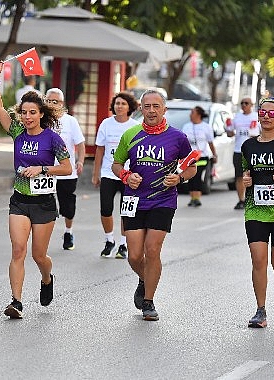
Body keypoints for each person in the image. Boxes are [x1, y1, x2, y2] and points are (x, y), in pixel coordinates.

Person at [0, 62, 72, 319]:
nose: (26, 117)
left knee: (39, 256)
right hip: (20, 200)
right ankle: (16, 301)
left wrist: (42, 169)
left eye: (32, 113)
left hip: (44, 203)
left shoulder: (52, 138)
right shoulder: (17, 132)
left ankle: (47, 278)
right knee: (18, 250)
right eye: (23, 112)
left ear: (40, 114)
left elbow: (66, 168)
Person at [111, 89, 196, 321]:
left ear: (164, 109)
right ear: (141, 108)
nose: (151, 111)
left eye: (156, 106)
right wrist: (127, 176)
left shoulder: (178, 138)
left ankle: (148, 301)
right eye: (147, 106)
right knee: (134, 256)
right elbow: (117, 165)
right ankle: (144, 278)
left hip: (163, 200)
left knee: (152, 250)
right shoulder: (130, 134)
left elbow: (191, 167)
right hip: (134, 200)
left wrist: (179, 178)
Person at [241, 96, 274, 328]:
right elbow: (246, 173)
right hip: (255, 211)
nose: (266, 116)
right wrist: (246, 180)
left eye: (272, 113)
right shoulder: (248, 146)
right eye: (263, 112)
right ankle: (260, 311)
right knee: (258, 260)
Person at [92, 92, 139, 259]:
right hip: (108, 173)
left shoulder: (135, 126)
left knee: (125, 211)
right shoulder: (106, 124)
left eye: (123, 104)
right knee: (106, 209)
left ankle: (123, 244)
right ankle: (109, 240)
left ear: (129, 107)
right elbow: (100, 149)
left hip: (127, 174)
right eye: (117, 103)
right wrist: (96, 173)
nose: (119, 106)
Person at [45, 88, 86, 251]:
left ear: (62, 104)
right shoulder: (41, 120)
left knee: (67, 207)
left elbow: (80, 144)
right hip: (45, 170)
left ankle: (68, 232)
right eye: (49, 100)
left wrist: (81, 161)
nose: (52, 104)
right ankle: (44, 236)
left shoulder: (70, 121)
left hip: (66, 172)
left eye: (56, 101)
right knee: (45, 205)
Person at [225, 97, 259, 210]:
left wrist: (253, 133)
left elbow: (260, 133)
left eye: (246, 103)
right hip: (238, 150)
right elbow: (231, 133)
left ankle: (254, 199)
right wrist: (228, 127)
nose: (244, 105)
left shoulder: (256, 117)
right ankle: (241, 200)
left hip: (253, 150)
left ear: (251, 105)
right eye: (242, 103)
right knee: (239, 177)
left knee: (253, 176)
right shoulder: (237, 117)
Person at [181, 106, 217, 207]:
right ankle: (192, 198)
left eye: (192, 112)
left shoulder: (206, 127)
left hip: (202, 156)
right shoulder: (186, 126)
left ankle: (197, 198)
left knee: (197, 175)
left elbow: (210, 142)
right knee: (190, 177)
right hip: (189, 157)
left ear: (198, 114)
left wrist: (214, 154)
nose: (190, 114)